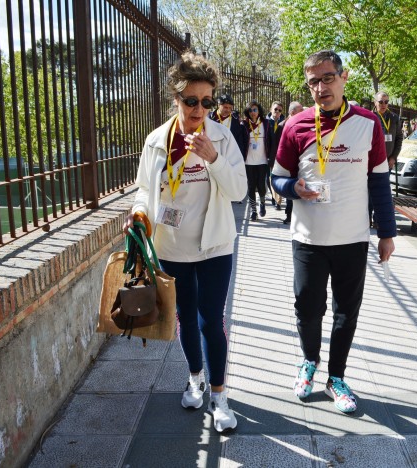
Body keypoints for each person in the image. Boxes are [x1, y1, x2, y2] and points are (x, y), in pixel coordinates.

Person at [123, 52, 247, 432]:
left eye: (207, 101)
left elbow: (239, 190)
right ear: (175, 99)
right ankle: (195, 378)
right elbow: (145, 189)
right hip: (172, 246)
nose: (199, 109)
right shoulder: (156, 141)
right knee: (185, 319)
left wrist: (213, 159)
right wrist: (139, 213)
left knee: (212, 320)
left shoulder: (222, 139)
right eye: (191, 101)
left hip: (214, 246)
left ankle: (220, 395)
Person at [271, 50, 396, 413]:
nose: (320, 87)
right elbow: (276, 177)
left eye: (327, 78)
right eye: (313, 81)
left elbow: (379, 183)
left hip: (352, 239)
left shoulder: (369, 123)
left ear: (343, 77)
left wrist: (386, 234)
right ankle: (309, 361)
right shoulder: (296, 126)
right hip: (308, 238)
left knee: (346, 312)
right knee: (307, 310)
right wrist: (293, 189)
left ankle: (336, 376)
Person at [370, 91, 403, 226]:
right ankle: (367, 219)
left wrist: (394, 157)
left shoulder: (394, 117)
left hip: (387, 161)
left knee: (382, 193)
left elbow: (399, 138)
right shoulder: (369, 117)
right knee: (368, 192)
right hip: (370, 161)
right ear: (375, 102)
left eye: (386, 102)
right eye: (381, 102)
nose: (384, 104)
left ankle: (378, 220)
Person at [242, 99, 272, 221]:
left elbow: (270, 141)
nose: (253, 112)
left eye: (255, 109)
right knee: (251, 186)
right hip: (248, 161)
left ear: (259, 110)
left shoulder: (266, 123)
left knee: (261, 185)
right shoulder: (243, 125)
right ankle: (254, 211)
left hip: (262, 160)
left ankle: (263, 203)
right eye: (250, 110)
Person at [276, 100, 303, 224]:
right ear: (292, 112)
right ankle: (289, 214)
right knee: (290, 188)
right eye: (300, 111)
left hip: (300, 163)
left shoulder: (303, 125)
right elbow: (276, 146)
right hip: (287, 163)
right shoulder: (282, 126)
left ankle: (296, 215)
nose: (303, 113)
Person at [267, 101, 285, 210]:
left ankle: (278, 201)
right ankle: (274, 197)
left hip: (280, 156)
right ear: (271, 110)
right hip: (268, 156)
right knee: (268, 180)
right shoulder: (265, 122)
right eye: (275, 109)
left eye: (279, 110)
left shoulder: (283, 123)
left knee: (277, 177)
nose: (277, 112)